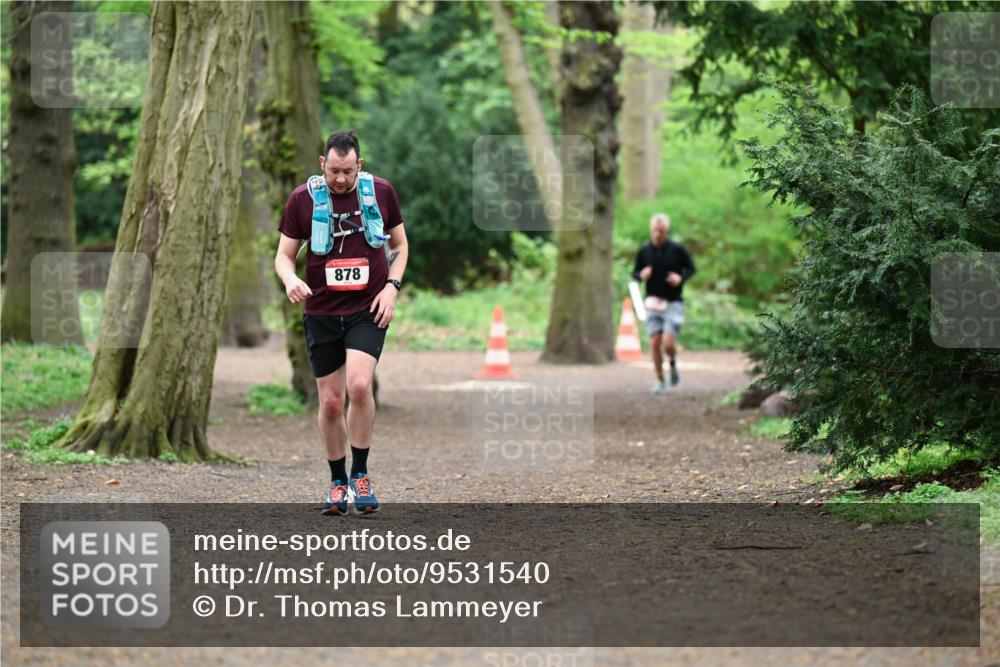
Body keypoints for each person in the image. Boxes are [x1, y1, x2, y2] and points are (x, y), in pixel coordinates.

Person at [274, 130, 408, 514]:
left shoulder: (380, 193)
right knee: (331, 402)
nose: (340, 179)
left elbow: (400, 246)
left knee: (360, 385)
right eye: (334, 170)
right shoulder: (303, 199)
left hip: (369, 307)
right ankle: (337, 482)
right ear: (322, 164)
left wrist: (392, 288)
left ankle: (360, 476)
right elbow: (283, 255)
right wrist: (291, 279)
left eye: (348, 171)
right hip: (321, 312)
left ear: (359, 166)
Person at [631, 213, 695, 395]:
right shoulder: (644, 251)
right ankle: (660, 380)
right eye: (654, 230)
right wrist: (641, 275)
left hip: (673, 302)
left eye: (661, 230)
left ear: (666, 231)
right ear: (650, 230)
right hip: (652, 302)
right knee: (654, 343)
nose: (657, 234)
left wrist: (680, 278)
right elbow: (634, 273)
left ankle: (673, 363)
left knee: (668, 344)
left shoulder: (677, 249)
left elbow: (691, 268)